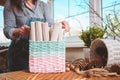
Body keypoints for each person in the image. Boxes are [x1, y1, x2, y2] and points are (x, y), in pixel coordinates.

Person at [4, 0, 70, 71]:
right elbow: (7, 30)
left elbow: (50, 26)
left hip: (39, 53)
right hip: (19, 53)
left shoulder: (43, 6)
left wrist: (59, 25)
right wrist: (20, 31)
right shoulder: (11, 3)